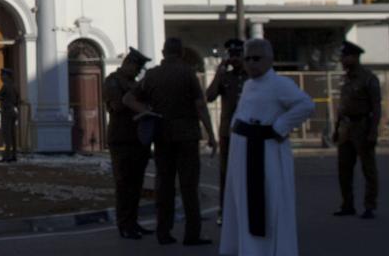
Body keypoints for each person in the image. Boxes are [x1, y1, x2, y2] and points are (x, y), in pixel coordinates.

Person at [219, 38, 314, 256]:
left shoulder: (280, 84)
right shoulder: (250, 84)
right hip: (242, 153)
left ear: (270, 60)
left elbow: (306, 105)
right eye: (248, 58)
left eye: (257, 58)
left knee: (268, 203)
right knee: (241, 203)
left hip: (264, 153)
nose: (251, 63)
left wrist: (280, 127)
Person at [124, 37, 217, 246]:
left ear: (164, 52)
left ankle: (163, 232)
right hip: (187, 137)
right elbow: (200, 106)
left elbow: (128, 99)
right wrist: (211, 134)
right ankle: (192, 234)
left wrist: (147, 112)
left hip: (162, 136)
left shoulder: (152, 75)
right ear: (182, 52)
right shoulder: (188, 73)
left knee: (164, 185)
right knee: (189, 187)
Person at [104, 48, 153, 239]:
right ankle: (124, 224)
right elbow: (116, 106)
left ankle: (133, 221)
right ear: (127, 64)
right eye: (136, 67)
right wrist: (134, 94)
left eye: (140, 68)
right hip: (121, 138)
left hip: (138, 138)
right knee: (124, 184)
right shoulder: (113, 81)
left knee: (136, 184)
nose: (137, 71)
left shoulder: (133, 83)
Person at [334, 40, 381, 219]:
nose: (342, 60)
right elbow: (343, 106)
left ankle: (370, 206)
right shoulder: (346, 79)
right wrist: (337, 128)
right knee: (344, 168)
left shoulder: (368, 78)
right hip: (346, 127)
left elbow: (376, 107)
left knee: (368, 168)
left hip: (363, 125)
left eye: (345, 56)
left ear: (354, 57)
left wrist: (373, 131)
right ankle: (347, 204)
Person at [207, 38, 248, 225]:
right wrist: (219, 71)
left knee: (249, 173)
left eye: (238, 55)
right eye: (232, 55)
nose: (235, 59)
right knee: (226, 174)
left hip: (249, 132)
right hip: (228, 133)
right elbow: (209, 96)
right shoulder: (226, 77)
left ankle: (248, 210)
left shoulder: (251, 76)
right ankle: (225, 211)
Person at [0, 67, 20, 162]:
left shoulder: (5, 86)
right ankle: (13, 155)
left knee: (7, 135)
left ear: (7, 76)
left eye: (2, 75)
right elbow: (18, 99)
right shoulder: (14, 86)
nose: (1, 77)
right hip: (13, 112)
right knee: (12, 134)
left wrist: (3, 101)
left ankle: (6, 156)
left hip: (6, 112)